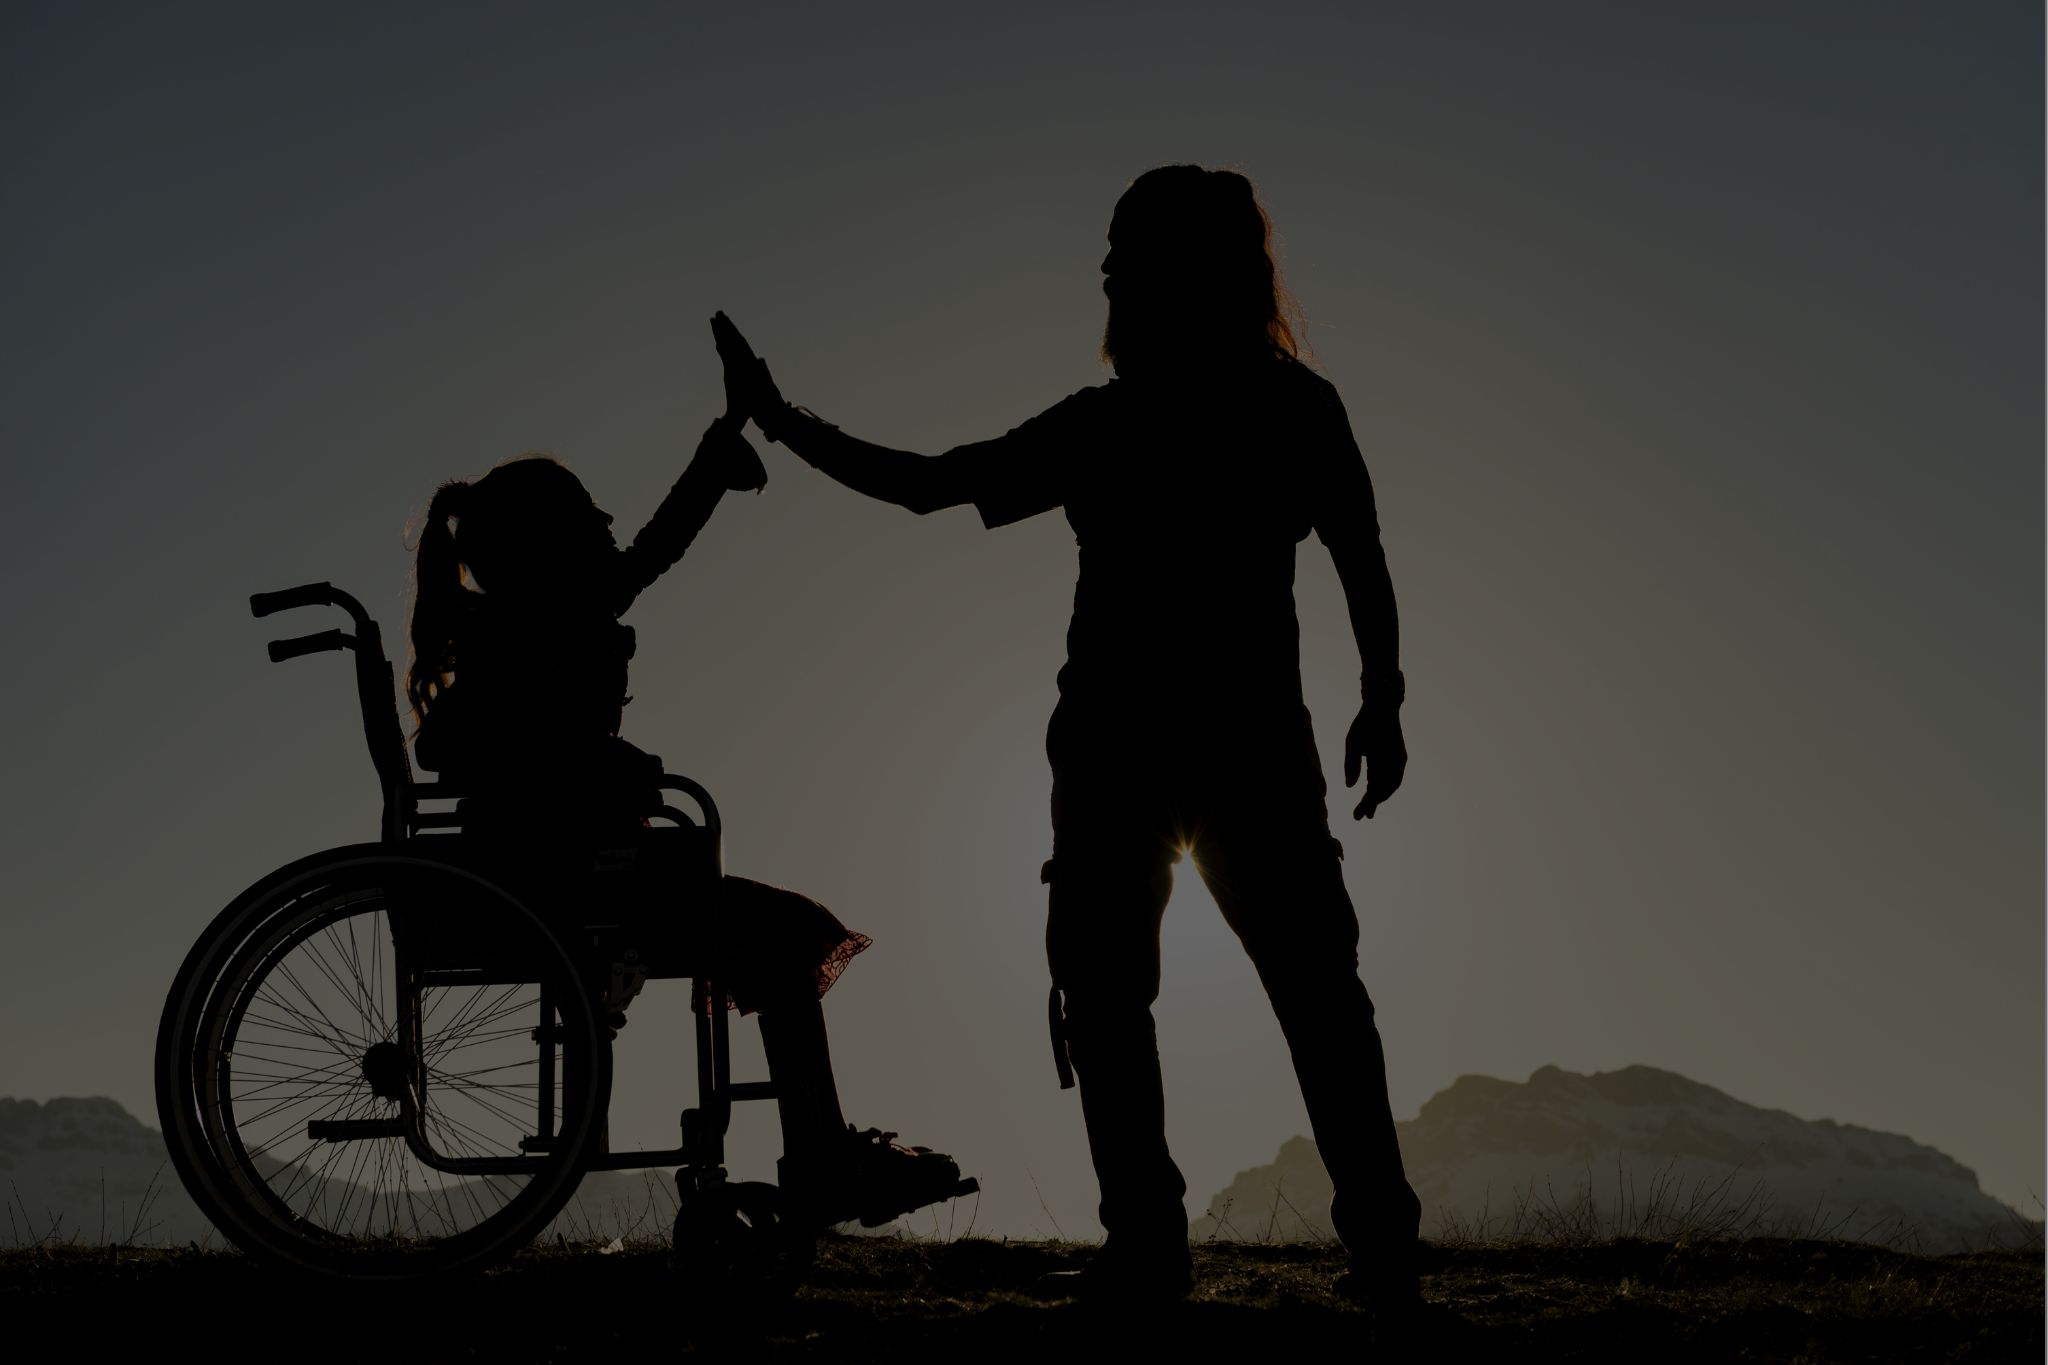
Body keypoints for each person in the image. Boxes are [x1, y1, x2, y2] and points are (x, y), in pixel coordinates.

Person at [712, 163, 1423, 1309]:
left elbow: (927, 486)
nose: (1102, 273)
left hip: (1122, 753)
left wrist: (779, 419)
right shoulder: (1284, 405)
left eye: (1120, 256)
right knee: (1304, 995)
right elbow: (1359, 550)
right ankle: (1371, 1255)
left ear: (1168, 272)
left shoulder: (1121, 421)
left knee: (1127, 1000)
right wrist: (1381, 695)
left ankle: (1155, 1252)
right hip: (1235, 747)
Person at [403, 388, 967, 1231]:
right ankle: (821, 1157)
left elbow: (651, 551)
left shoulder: (552, 616)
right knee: (780, 931)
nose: (606, 521)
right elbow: (449, 746)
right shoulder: (525, 629)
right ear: (547, 544)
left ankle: (822, 1151)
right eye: (588, 512)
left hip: (584, 877)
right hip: (565, 886)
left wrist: (717, 450)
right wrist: (589, 761)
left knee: (775, 929)